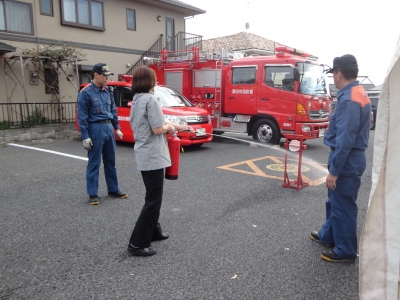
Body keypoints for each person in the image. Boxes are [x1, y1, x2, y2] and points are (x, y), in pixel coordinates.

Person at [127, 66, 195, 256]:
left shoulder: (138, 99)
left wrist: (182, 127)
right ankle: (137, 244)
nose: (156, 82)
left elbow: (161, 123)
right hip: (152, 156)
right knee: (153, 200)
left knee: (153, 196)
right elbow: (158, 128)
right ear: (148, 81)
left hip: (144, 153)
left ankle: (154, 232)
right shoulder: (150, 99)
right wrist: (170, 129)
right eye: (154, 79)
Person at [310, 54, 371, 262]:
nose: (333, 78)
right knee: (334, 201)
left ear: (339, 73)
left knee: (343, 205)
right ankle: (329, 235)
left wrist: (334, 171)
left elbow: (345, 139)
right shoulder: (358, 92)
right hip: (349, 158)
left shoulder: (349, 98)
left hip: (346, 159)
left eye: (334, 74)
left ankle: (345, 250)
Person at [77, 63, 128, 205]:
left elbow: (113, 110)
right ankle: (92, 193)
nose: (106, 77)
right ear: (95, 75)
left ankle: (113, 189)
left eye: (107, 75)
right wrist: (85, 136)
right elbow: (82, 116)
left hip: (108, 127)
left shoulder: (108, 91)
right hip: (95, 128)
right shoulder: (86, 93)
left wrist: (117, 127)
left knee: (110, 161)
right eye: (104, 75)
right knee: (94, 162)